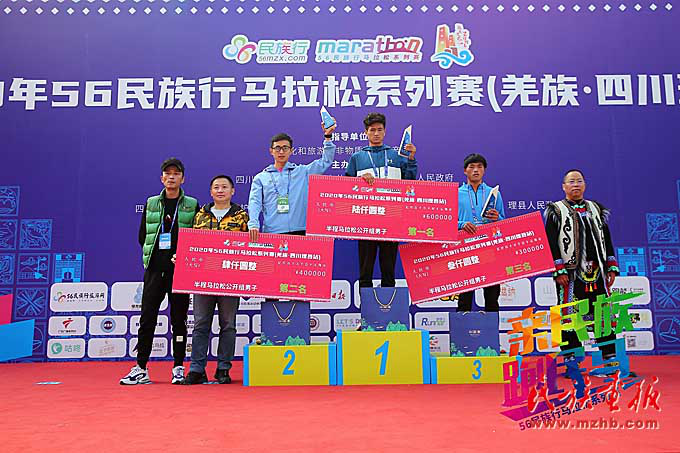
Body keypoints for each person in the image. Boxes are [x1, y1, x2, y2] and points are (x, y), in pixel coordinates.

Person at [120, 158, 199, 385]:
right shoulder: (152, 203)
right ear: (162, 177)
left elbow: (196, 237)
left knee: (179, 320)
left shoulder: (192, 204)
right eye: (168, 173)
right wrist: (154, 256)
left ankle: (178, 367)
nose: (171, 177)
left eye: (176, 173)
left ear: (183, 178)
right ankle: (141, 367)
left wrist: (182, 256)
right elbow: (142, 236)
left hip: (180, 272)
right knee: (147, 319)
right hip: (155, 270)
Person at [545, 169, 620, 363]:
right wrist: (559, 270)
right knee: (569, 314)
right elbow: (550, 242)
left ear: (585, 185)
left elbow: (606, 239)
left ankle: (609, 356)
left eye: (579, 181)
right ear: (564, 186)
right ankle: (572, 358)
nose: (576, 185)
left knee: (602, 312)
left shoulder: (596, 209)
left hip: (597, 271)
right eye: (571, 181)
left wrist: (611, 266)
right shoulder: (556, 210)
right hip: (570, 274)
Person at [184, 175, 249, 385]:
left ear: (232, 191)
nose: (220, 190)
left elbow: (249, 248)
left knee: (228, 325)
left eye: (224, 187)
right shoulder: (200, 215)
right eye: (216, 187)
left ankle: (223, 368)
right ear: (211, 192)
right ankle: (196, 369)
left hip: (231, 279)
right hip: (203, 279)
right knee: (200, 324)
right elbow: (191, 244)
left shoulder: (242, 216)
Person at [345, 112, 417, 288]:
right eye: (372, 130)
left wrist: (411, 159)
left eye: (379, 129)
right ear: (366, 133)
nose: (376, 133)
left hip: (391, 220)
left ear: (385, 131)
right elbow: (346, 188)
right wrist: (359, 181)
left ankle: (388, 305)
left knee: (388, 271)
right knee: (365, 271)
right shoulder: (357, 158)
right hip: (365, 222)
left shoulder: (397, 156)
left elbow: (410, 183)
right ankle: (366, 306)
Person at [247, 119, 337, 241]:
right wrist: (253, 224)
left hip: (301, 230)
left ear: (291, 151)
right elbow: (255, 203)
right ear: (271, 151)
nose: (281, 152)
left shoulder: (303, 172)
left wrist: (328, 137)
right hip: (273, 232)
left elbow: (325, 161)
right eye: (277, 148)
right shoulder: (261, 178)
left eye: (285, 148)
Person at [456, 153, 505, 312]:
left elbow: (504, 223)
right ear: (465, 170)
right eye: (471, 167)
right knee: (464, 297)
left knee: (492, 296)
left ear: (484, 170)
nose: (476, 170)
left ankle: (491, 327)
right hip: (465, 250)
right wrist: (462, 224)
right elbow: (447, 222)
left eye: (479, 167)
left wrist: (497, 218)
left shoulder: (494, 193)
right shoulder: (456, 194)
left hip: (489, 249)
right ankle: (462, 328)